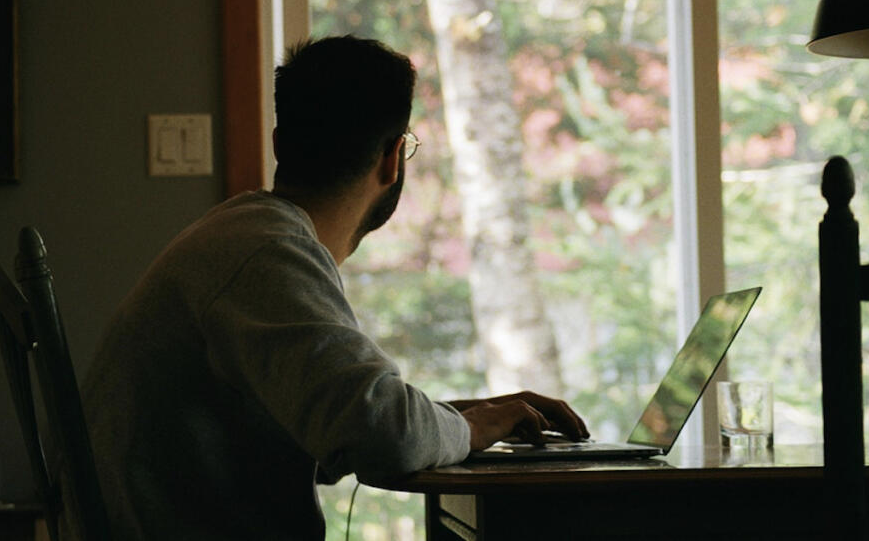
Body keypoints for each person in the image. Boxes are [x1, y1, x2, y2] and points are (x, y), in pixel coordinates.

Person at [66, 35, 588, 540]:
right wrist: (471, 430)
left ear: (278, 143)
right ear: (392, 159)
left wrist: (467, 418)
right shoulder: (266, 254)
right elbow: (386, 437)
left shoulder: (243, 235)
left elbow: (353, 418)